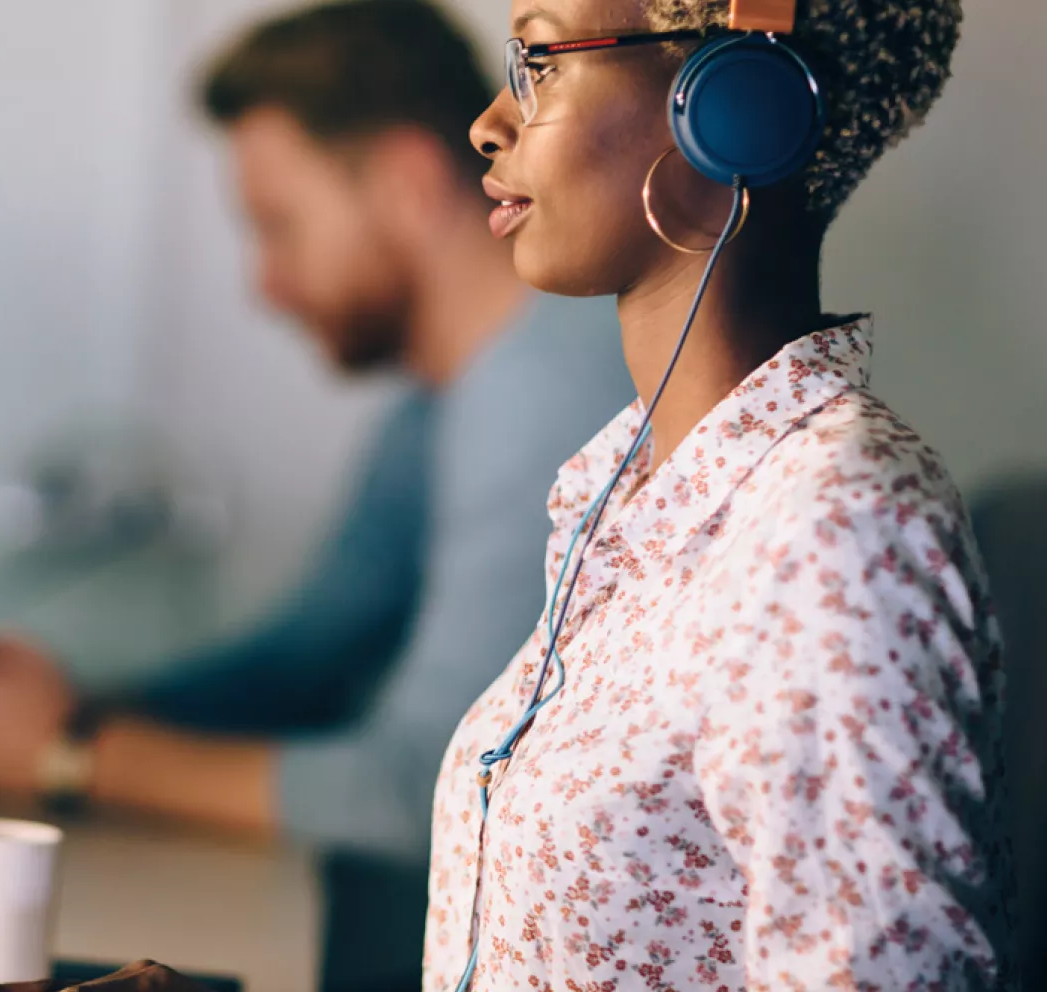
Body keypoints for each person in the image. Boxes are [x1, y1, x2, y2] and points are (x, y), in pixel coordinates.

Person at [0, 0, 627, 870]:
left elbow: (430, 790)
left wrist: (73, 755)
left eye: (280, 227)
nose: (268, 286)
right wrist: (56, 710)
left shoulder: (539, 395)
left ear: (404, 183)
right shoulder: (436, 411)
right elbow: (304, 660)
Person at [426, 0, 1014, 988]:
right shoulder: (633, 493)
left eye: (539, 61)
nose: (490, 120)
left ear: (734, 108)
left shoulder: (832, 521)